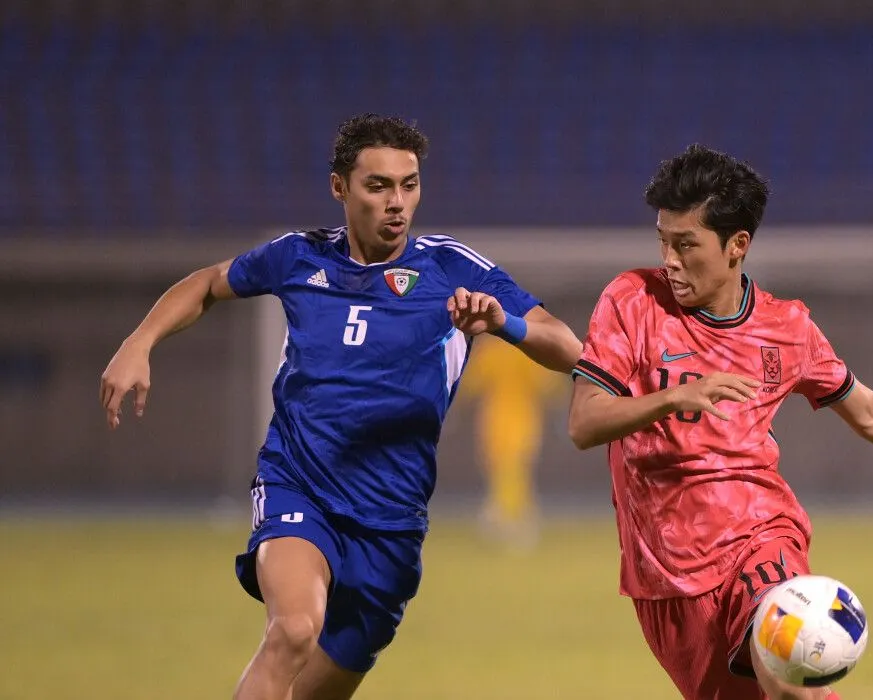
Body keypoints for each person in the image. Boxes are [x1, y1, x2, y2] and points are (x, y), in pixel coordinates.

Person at [99, 113, 582, 700]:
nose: (397, 202)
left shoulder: (450, 266)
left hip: (391, 521)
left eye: (409, 184)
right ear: (339, 188)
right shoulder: (299, 258)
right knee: (294, 630)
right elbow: (207, 283)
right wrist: (138, 342)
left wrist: (500, 322)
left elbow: (566, 346)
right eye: (377, 186)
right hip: (299, 484)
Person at [567, 144, 873, 700]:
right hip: (663, 576)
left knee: (791, 668)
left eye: (686, 244)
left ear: (737, 244)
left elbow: (868, 412)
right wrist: (674, 398)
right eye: (663, 241)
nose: (670, 258)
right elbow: (585, 423)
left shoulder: (785, 329)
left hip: (759, 537)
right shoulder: (632, 301)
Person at [456, 333, 564, 548]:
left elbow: (467, 384)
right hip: (519, 417)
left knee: (509, 469)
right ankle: (511, 516)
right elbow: (548, 384)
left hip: (497, 418)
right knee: (509, 469)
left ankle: (507, 517)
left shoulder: (491, 349)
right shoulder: (527, 347)